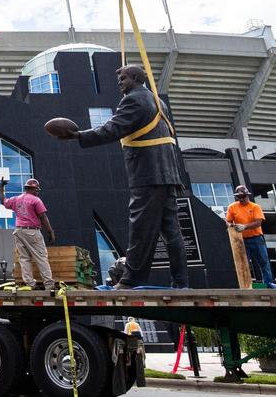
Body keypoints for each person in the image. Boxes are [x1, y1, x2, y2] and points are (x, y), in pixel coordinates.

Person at [45, 64, 189, 289]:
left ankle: (131, 280)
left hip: (147, 173)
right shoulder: (157, 101)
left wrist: (79, 136)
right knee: (172, 231)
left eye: (123, 78)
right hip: (166, 172)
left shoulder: (133, 100)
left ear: (135, 78)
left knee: (141, 228)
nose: (120, 82)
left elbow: (113, 129)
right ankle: (181, 282)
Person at [0, 177, 56, 291]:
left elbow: (3, 201)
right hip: (32, 232)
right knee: (41, 257)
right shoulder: (36, 200)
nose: (37, 192)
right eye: (36, 190)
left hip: (19, 231)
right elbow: (43, 217)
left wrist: (1, 187)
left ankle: (30, 284)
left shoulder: (16, 199)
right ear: (31, 189)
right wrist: (50, 231)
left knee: (24, 258)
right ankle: (49, 285)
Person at [226, 184, 273, 286]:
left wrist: (244, 227)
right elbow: (228, 221)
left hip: (256, 239)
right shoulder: (232, 207)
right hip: (241, 240)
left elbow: (258, 223)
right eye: (239, 197)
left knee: (264, 262)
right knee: (243, 263)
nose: (241, 199)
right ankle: (246, 285)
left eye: (243, 197)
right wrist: (231, 226)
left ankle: (269, 284)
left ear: (248, 196)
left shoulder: (255, 207)